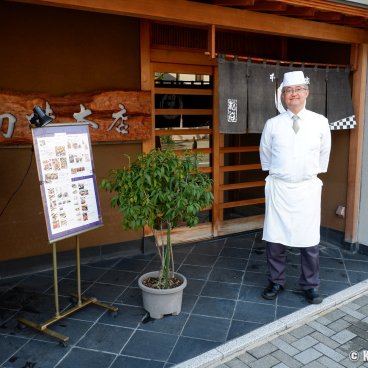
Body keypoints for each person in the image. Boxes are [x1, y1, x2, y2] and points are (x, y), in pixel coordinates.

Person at [259, 70, 331, 304]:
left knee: (309, 241)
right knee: (275, 240)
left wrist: (304, 173)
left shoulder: (320, 122)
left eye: (298, 89)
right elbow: (266, 156)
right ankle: (276, 281)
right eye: (288, 90)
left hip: (307, 188)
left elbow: (323, 155)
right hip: (280, 187)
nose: (293, 94)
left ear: (307, 92)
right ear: (282, 95)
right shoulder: (273, 124)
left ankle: (310, 285)